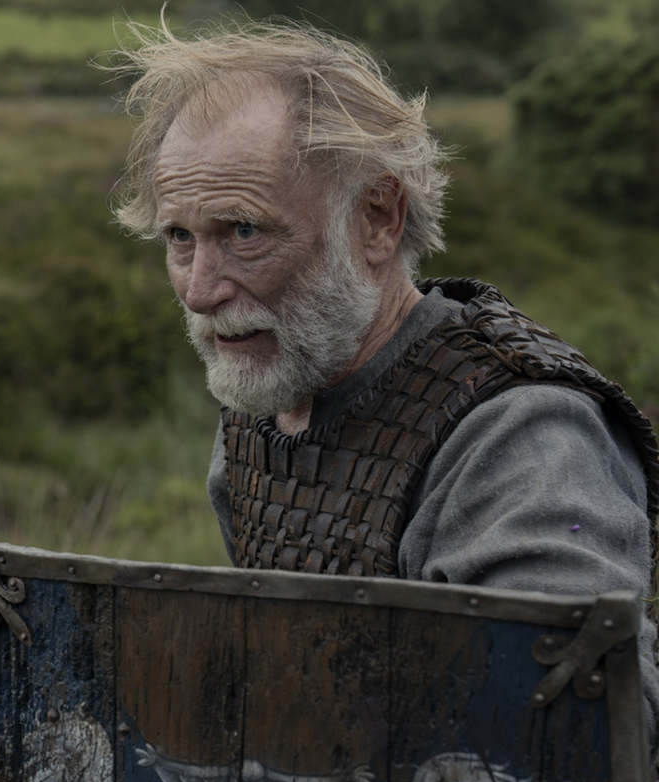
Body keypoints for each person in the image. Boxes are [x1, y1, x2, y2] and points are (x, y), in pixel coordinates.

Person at [107, 20, 659, 745]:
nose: (201, 289)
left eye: (244, 231)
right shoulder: (265, 411)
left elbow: (570, 747)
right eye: (181, 238)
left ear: (376, 219)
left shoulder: (520, 437)